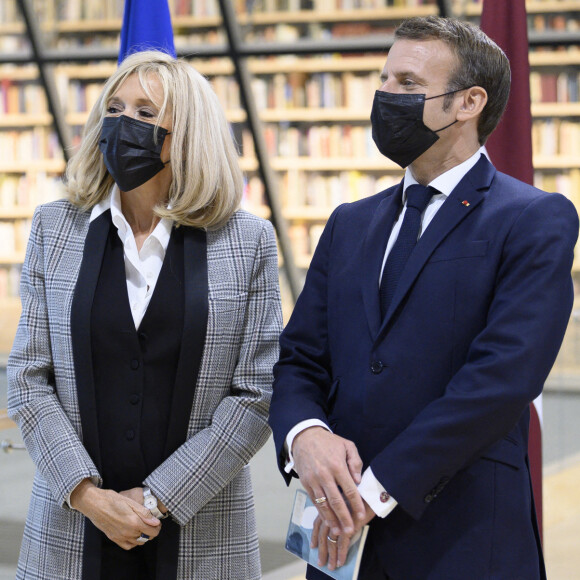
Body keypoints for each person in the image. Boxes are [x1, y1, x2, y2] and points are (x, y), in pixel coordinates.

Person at [269, 16, 579, 580]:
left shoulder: (533, 219)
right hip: (339, 545)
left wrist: (375, 490)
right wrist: (303, 436)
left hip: (461, 542)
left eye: (408, 84)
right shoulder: (348, 223)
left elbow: (502, 380)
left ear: (469, 102)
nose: (386, 97)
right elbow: (300, 358)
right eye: (384, 80)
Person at [7, 50, 282, 580]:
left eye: (144, 112)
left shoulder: (247, 241)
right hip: (70, 529)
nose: (121, 124)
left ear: (188, 135)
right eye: (113, 107)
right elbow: (28, 378)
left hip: (201, 533)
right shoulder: (54, 228)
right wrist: (89, 497)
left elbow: (255, 395)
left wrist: (152, 502)